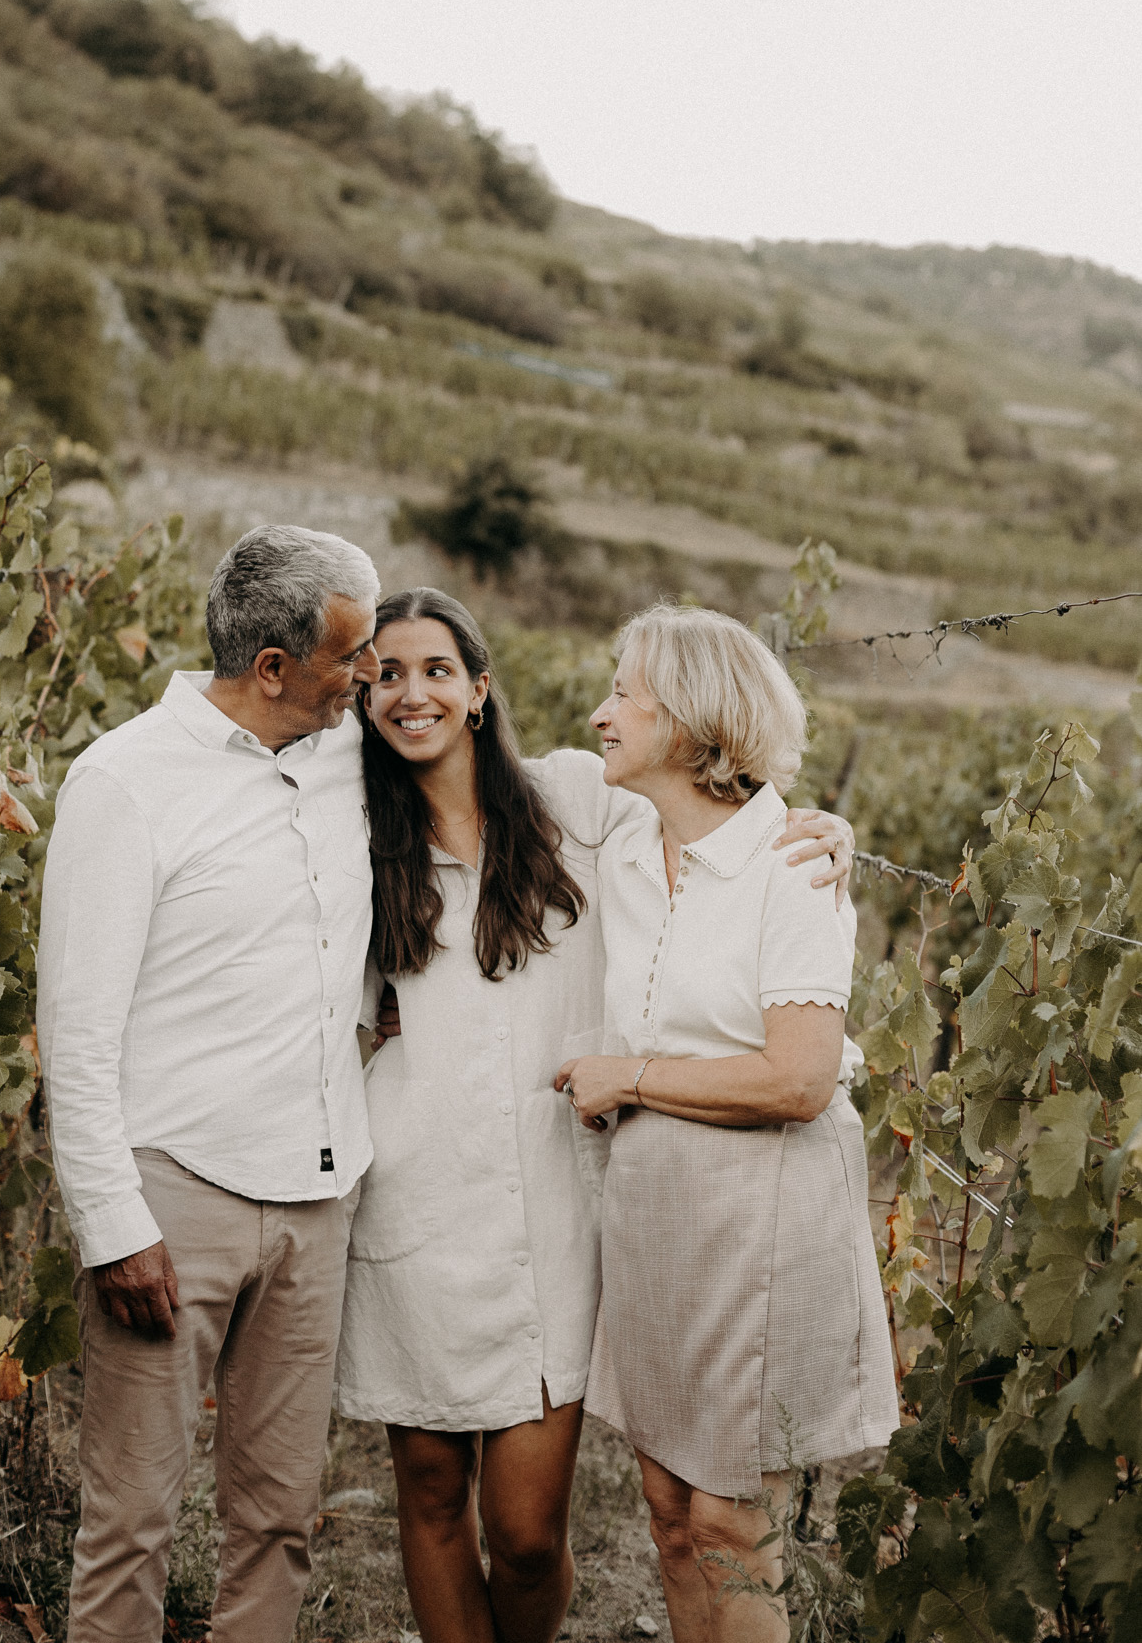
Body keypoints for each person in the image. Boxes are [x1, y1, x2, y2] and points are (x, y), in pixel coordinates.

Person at [335, 588, 855, 1643]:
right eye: (385, 672)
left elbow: (715, 822)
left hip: (554, 1214)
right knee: (432, 1498)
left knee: (526, 1533)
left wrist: (817, 827)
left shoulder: (575, 801)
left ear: (479, 687)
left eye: (435, 667)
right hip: (414, 1201)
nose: (411, 691)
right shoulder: (349, 840)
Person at [37, 524, 382, 1643]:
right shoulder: (126, 781)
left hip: (320, 1196)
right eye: (351, 655)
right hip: (172, 1197)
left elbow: (513, 783)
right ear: (272, 665)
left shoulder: (349, 756)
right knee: (132, 1517)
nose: (369, 677)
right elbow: (76, 1027)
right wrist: (110, 1221)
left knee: (279, 1517)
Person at [556, 605, 898, 1643]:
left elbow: (797, 1078)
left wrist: (632, 1074)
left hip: (764, 1223)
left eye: (624, 692)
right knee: (666, 1516)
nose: (599, 711)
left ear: (692, 717)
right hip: (655, 1216)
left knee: (727, 1524)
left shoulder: (790, 863)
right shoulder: (622, 836)